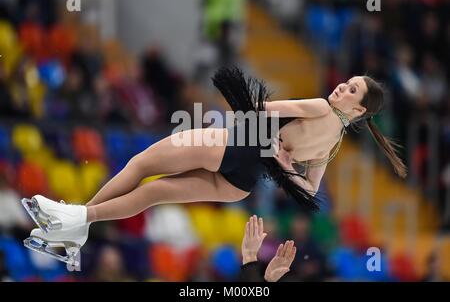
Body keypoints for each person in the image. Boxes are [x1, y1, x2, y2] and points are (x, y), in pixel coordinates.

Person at [21, 66, 407, 267]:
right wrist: (284, 165)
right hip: (242, 182)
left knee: (140, 164)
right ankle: (76, 228)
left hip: (232, 145)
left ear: (357, 111)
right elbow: (309, 191)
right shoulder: (333, 145)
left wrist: (274, 150)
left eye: (352, 90)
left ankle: (76, 222)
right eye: (347, 82)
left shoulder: (322, 107)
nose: (342, 87)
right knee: (153, 193)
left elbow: (261, 111)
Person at [239, 215, 296, 282]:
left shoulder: (278, 243)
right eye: (267, 224)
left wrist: (249, 256)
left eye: (271, 224)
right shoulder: (255, 243)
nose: (270, 228)